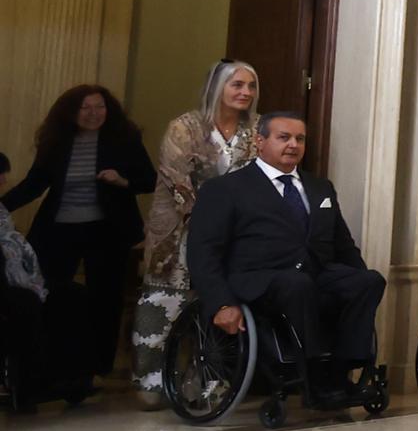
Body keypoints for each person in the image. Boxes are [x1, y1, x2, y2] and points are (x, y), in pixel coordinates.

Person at [184, 112, 384, 406]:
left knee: (368, 281)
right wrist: (221, 303)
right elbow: (203, 252)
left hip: (314, 274)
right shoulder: (226, 189)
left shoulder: (320, 188)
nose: (293, 145)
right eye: (284, 137)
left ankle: (342, 373)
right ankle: (314, 379)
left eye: (299, 139)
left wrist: (357, 285)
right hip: (257, 279)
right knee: (296, 284)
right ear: (260, 141)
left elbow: (343, 245)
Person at [3, 85, 155, 377]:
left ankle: (99, 366)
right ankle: (46, 362)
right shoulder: (58, 141)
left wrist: (122, 181)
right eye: (85, 108)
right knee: (47, 292)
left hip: (107, 231)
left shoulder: (124, 139)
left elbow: (149, 180)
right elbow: (35, 184)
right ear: (71, 112)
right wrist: (3, 205)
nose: (93, 114)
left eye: (99, 107)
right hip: (59, 229)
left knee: (106, 298)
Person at [132, 60, 259, 406]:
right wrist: (214, 221)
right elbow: (178, 183)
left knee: (216, 304)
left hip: (232, 233)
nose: (245, 92)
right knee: (165, 303)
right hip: (178, 230)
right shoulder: (183, 128)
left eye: (250, 86)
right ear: (218, 88)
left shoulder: (257, 131)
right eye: (237, 85)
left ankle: (204, 380)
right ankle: (152, 379)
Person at [1, 150, 95, 410]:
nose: (3, 183)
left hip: (15, 278)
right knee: (26, 302)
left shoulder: (1, 212)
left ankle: (72, 377)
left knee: (72, 295)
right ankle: (27, 384)